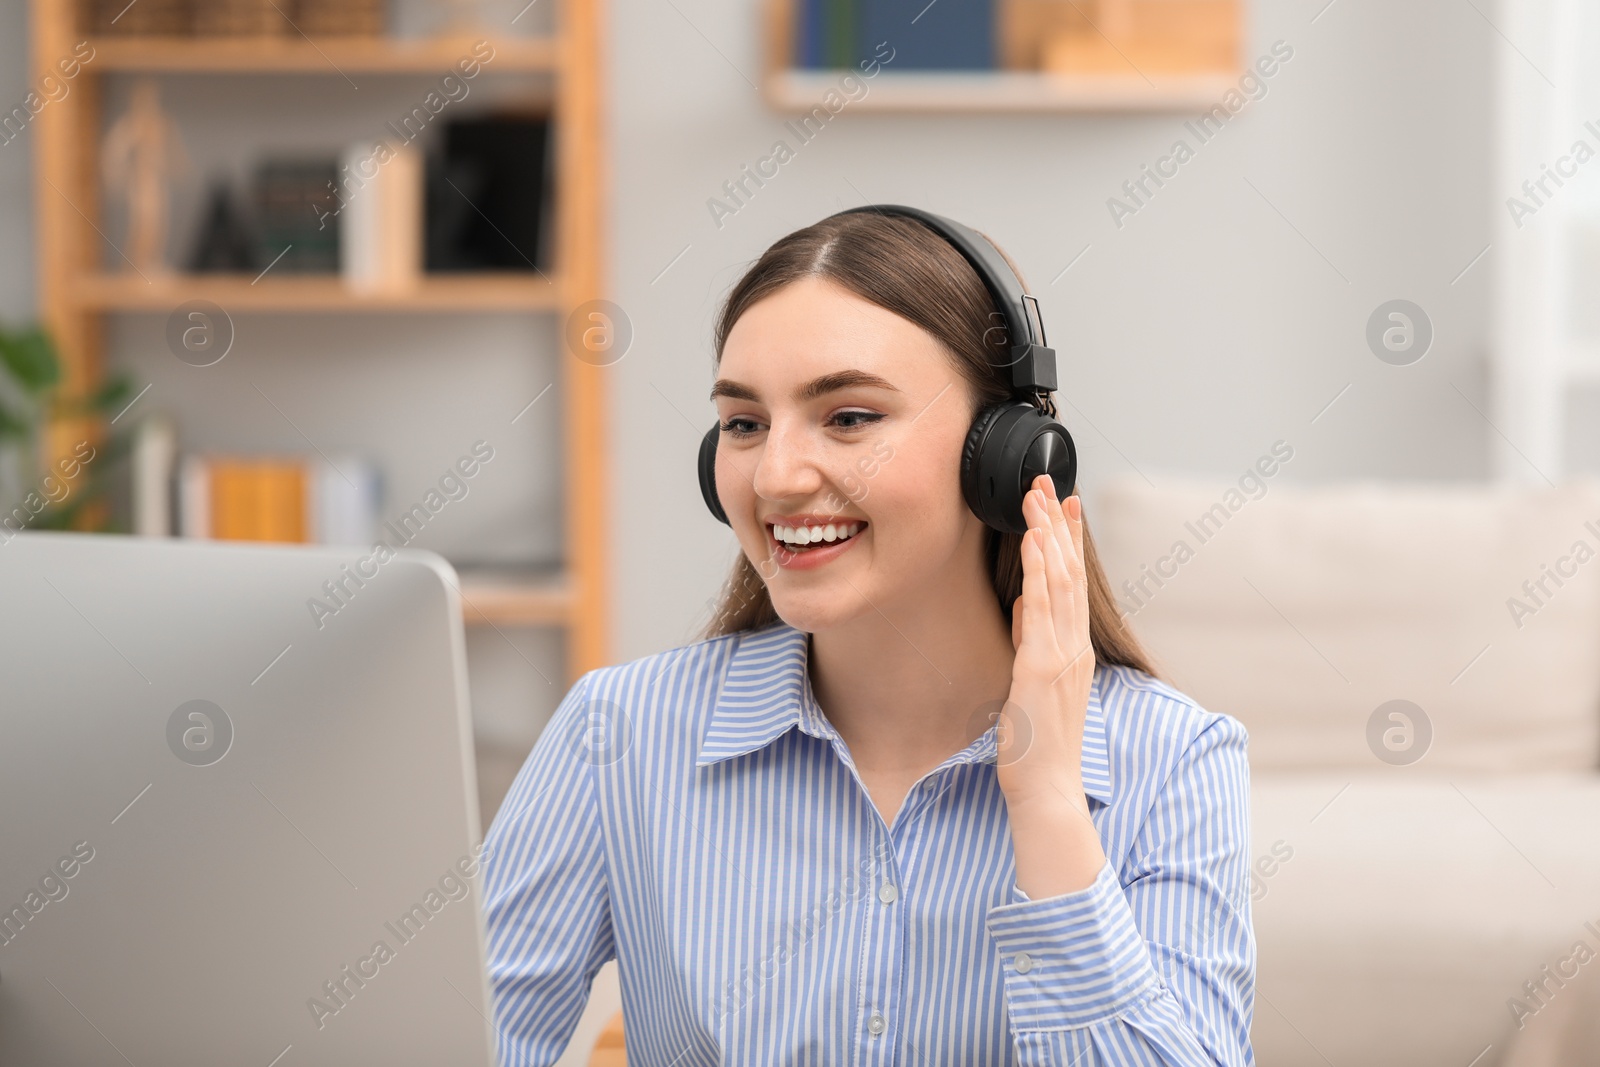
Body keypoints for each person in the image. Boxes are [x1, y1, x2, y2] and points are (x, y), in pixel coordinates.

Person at [481, 208, 1255, 1065]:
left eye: (848, 417)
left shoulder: (1175, 758)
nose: (775, 475)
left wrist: (1046, 804)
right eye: (744, 423)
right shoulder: (617, 733)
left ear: (1004, 455)